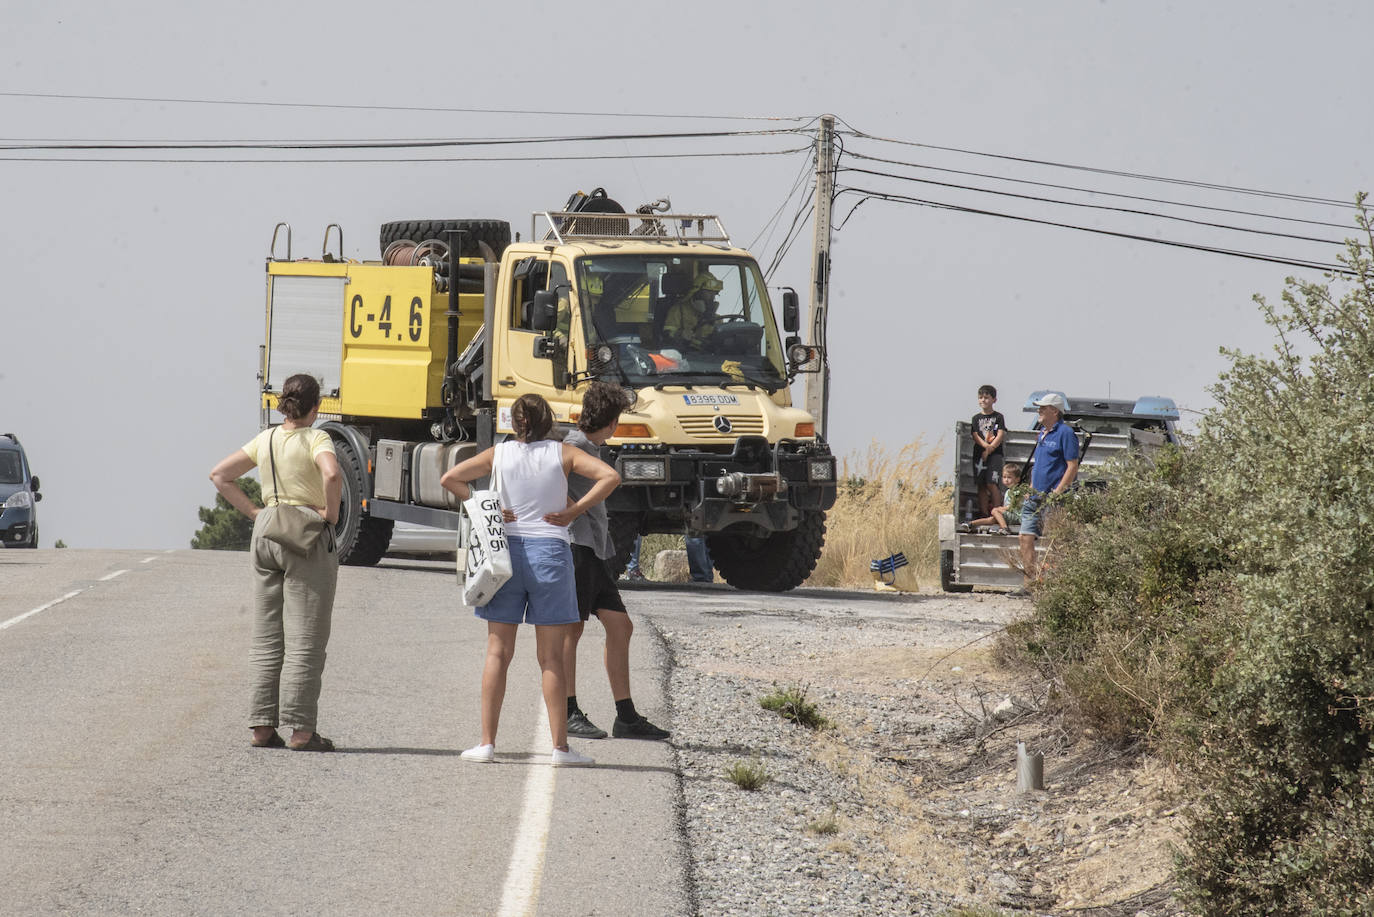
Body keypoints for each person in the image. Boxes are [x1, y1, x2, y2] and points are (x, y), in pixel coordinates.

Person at [440, 393, 620, 767]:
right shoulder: (563, 453)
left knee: (497, 652)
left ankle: (487, 744)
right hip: (551, 554)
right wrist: (574, 510)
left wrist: (485, 506)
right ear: (547, 421)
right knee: (551, 656)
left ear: (514, 423)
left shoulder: (499, 454)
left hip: (505, 554)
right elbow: (610, 476)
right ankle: (559, 748)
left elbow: (451, 478)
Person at [209, 373, 342, 752]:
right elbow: (331, 472)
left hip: (267, 530)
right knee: (306, 638)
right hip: (305, 534)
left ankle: (262, 727)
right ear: (315, 408)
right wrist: (330, 515)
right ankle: (301, 729)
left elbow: (220, 475)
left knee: (267, 636)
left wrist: (255, 513)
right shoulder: (317, 437)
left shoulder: (266, 438)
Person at [562, 382, 671, 741]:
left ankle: (625, 717)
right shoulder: (573, 447)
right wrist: (570, 511)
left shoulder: (591, 446)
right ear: (612, 422)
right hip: (576, 549)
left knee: (620, 626)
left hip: (595, 551)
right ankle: (567, 711)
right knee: (571, 631)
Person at [1018, 392, 1080, 585]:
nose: (1039, 411)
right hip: (1034, 497)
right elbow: (1038, 464)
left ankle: (1054, 585)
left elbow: (1072, 465)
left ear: (1054, 411)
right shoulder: (1042, 433)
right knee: (1024, 538)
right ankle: (1030, 583)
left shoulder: (1066, 433)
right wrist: (1030, 488)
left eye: (1043, 408)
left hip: (1053, 499)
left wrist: (1058, 492)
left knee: (1053, 542)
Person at [971, 384, 1007, 517]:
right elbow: (975, 435)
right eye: (980, 397)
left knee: (992, 483)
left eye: (986, 397)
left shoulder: (998, 417)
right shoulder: (975, 418)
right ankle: (984, 512)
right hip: (979, 454)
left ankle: (997, 512)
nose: (983, 400)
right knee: (981, 484)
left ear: (994, 400)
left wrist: (990, 449)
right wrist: (985, 448)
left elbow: (1000, 434)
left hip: (995, 454)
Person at [961, 464, 1028, 533]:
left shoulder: (1018, 491)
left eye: (1009, 477)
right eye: (1004, 477)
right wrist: (1001, 509)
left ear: (1017, 479)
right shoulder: (1008, 491)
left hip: (1016, 517)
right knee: (992, 519)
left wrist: (1000, 509)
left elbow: (1013, 507)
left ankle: (1005, 528)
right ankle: (971, 524)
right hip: (1010, 515)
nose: (1006, 480)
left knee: (995, 511)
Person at [661, 272, 722, 349]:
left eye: (714, 293)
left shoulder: (717, 318)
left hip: (710, 355)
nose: (712, 296)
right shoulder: (678, 310)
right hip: (686, 355)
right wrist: (680, 334)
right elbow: (667, 334)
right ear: (697, 291)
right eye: (708, 292)